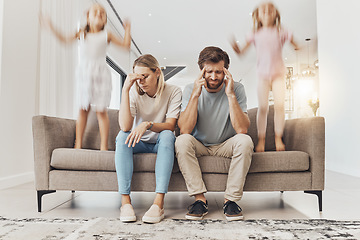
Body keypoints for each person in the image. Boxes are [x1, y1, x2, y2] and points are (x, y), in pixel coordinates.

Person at [175, 46, 254, 221]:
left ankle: (230, 201)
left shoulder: (237, 88)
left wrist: (231, 95)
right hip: (199, 145)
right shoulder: (190, 89)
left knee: (245, 140)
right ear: (201, 70)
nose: (213, 77)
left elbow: (242, 129)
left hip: (225, 144)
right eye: (209, 71)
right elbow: (185, 130)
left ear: (226, 71)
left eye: (218, 72)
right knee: (182, 141)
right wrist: (196, 94)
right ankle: (200, 200)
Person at [40, 4, 131, 151]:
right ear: (87, 17)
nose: (99, 13)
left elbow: (126, 45)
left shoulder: (106, 35)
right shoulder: (82, 33)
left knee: (101, 111)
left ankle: (103, 146)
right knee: (83, 109)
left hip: (101, 74)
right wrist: (51, 27)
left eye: (102, 13)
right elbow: (64, 39)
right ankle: (78, 144)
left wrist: (127, 29)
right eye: (95, 12)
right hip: (85, 74)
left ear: (105, 21)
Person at [115, 54, 182, 223]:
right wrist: (125, 90)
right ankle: (125, 203)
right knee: (122, 136)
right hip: (139, 142)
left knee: (167, 136)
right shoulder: (133, 92)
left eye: (145, 76)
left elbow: (171, 125)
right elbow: (125, 126)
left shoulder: (173, 91)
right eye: (137, 78)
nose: (141, 81)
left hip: (161, 141)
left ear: (157, 72)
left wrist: (148, 124)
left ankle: (158, 204)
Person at [231, 1, 298, 152]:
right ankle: (261, 140)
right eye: (263, 10)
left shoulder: (282, 31)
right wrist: (237, 49)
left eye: (270, 9)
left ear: (276, 14)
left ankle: (278, 138)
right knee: (263, 107)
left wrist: (300, 47)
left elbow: (295, 44)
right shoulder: (254, 34)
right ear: (258, 16)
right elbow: (242, 52)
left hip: (279, 73)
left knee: (280, 106)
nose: (267, 11)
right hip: (262, 74)